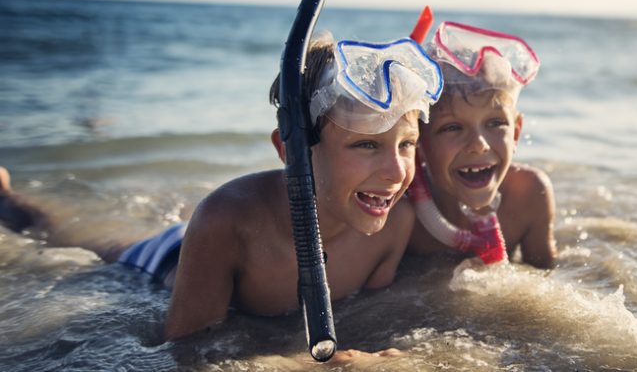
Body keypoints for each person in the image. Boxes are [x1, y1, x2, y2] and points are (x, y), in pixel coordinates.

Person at [0, 33, 444, 343]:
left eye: (406, 144)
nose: (394, 170)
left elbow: (371, 313)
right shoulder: (228, 219)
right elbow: (189, 348)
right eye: (366, 144)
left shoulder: (394, 223)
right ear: (291, 150)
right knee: (66, 237)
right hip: (168, 259)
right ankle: (8, 197)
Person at [406, 21, 557, 269]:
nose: (478, 145)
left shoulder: (530, 196)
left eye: (495, 123)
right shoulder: (405, 217)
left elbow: (546, 275)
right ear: (419, 140)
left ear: (516, 132)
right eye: (452, 127)